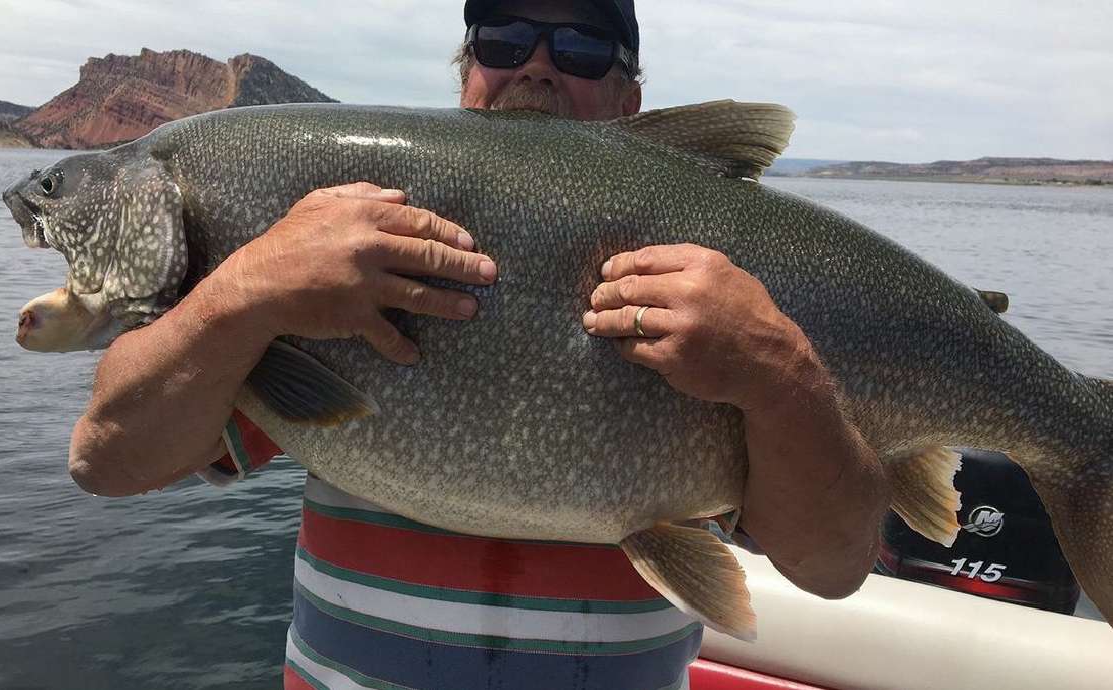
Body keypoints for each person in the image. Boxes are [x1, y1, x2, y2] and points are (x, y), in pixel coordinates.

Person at [68, 1, 890, 687]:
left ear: (630, 96)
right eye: (502, 39)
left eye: (579, 45)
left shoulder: (731, 281)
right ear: (466, 71)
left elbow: (833, 568)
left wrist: (780, 371)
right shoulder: (325, 248)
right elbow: (107, 461)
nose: (536, 65)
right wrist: (248, 292)